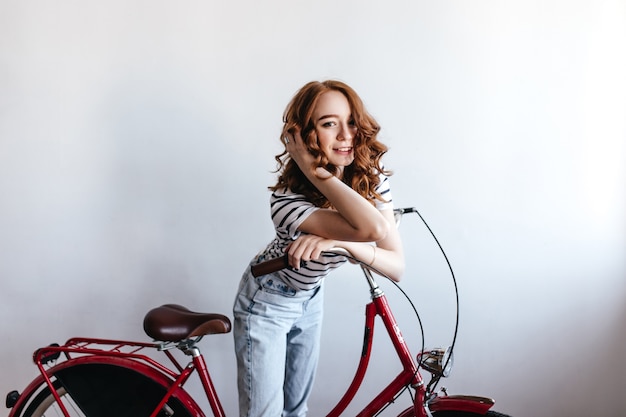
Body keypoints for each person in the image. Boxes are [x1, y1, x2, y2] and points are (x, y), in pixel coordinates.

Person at [233, 80, 405, 417]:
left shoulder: (369, 178)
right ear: (303, 136)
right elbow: (375, 229)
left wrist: (338, 243)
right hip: (268, 300)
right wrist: (314, 170)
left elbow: (396, 265)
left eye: (351, 121)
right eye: (329, 124)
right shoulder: (286, 201)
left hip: (310, 296)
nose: (346, 135)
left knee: (296, 411)